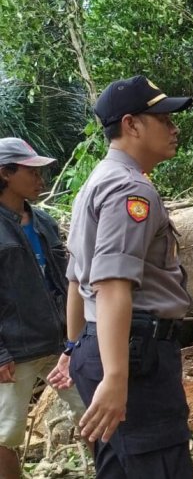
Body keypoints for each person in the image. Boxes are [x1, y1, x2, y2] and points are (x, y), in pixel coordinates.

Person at [50, 76, 193, 478]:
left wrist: (75, 347)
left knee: (119, 466)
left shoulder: (95, 183)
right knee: (159, 466)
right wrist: (115, 376)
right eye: (164, 118)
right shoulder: (130, 190)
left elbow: (78, 279)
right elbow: (112, 284)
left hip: (105, 345)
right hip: (135, 357)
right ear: (131, 125)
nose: (174, 127)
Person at [0, 138, 86, 479]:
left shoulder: (45, 223)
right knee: (5, 435)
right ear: (5, 173)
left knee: (94, 415)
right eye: (32, 171)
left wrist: (77, 337)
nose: (41, 180)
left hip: (62, 345)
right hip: (14, 350)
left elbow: (67, 281)